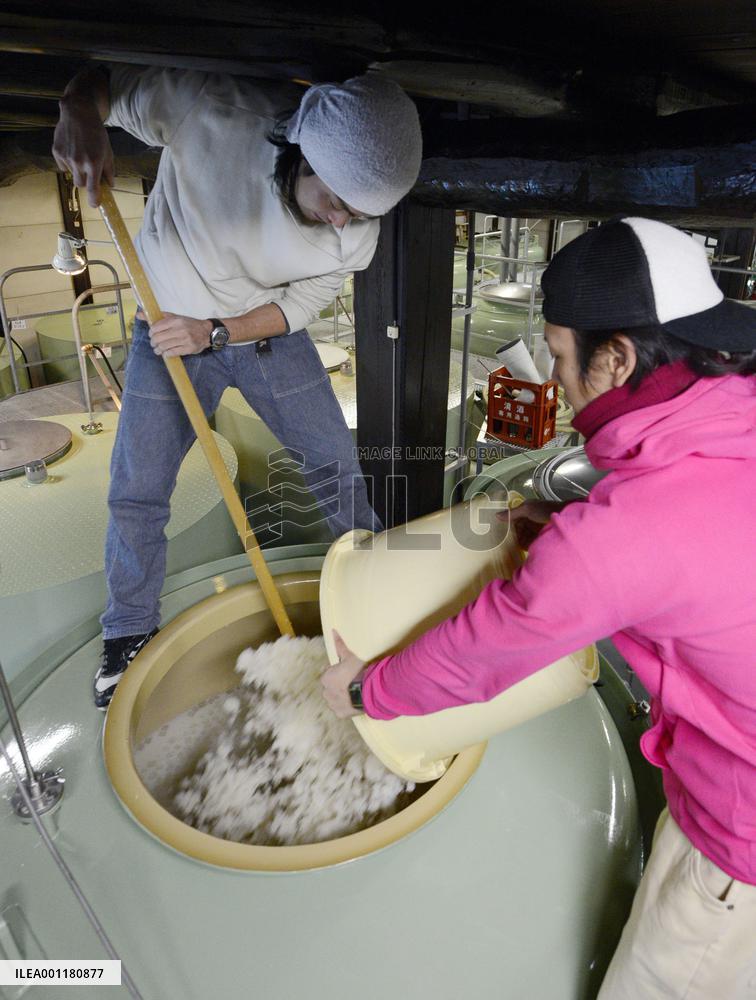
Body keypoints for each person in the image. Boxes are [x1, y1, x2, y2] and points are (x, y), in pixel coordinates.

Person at [322, 217, 756, 998]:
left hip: (738, 839)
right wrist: (566, 529)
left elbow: (484, 649)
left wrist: (363, 689)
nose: (553, 379)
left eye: (558, 355)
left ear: (616, 357)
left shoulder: (625, 535)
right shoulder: (734, 423)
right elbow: (694, 552)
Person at [52, 63, 422, 709]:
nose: (342, 222)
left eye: (360, 215)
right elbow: (98, 84)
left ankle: (376, 605)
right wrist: (77, 113)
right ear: (302, 152)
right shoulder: (210, 107)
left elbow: (302, 303)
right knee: (138, 489)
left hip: (264, 336)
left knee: (337, 469)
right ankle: (128, 631)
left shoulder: (356, 229)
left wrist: (218, 332)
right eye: (336, 201)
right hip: (165, 330)